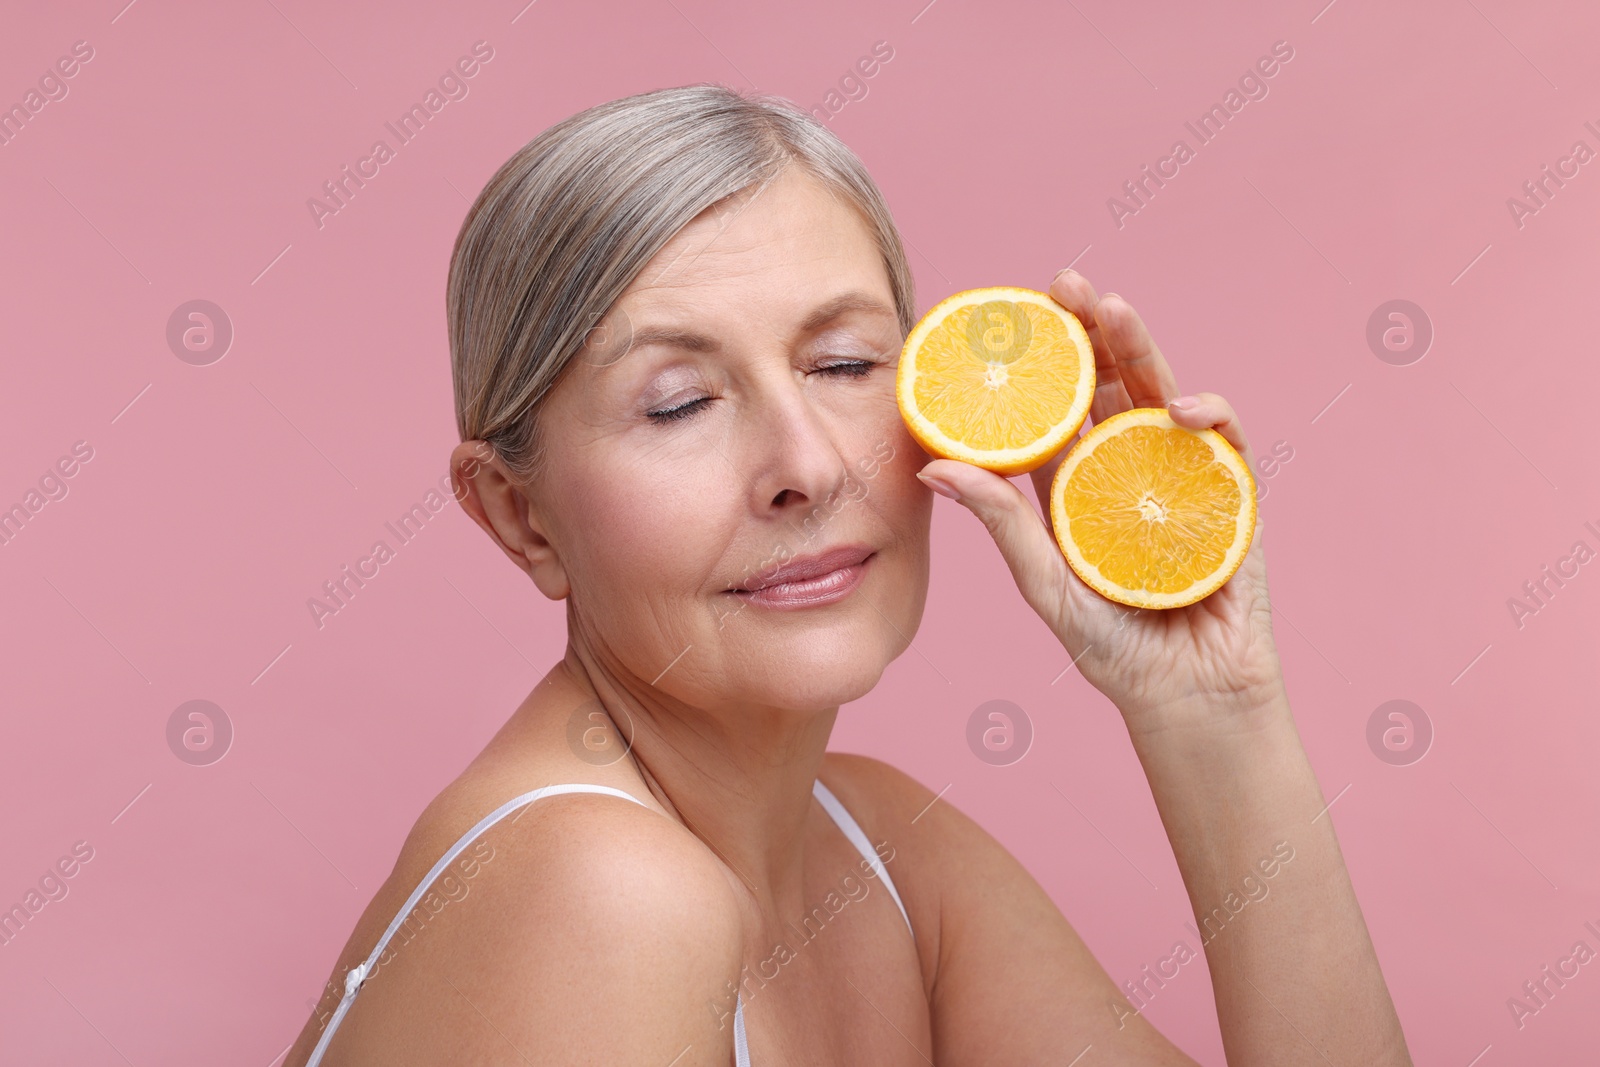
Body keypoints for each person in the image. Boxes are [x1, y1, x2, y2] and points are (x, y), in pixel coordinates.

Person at [283, 83, 1412, 1066]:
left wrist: (1215, 715)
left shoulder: (887, 860)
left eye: (844, 363)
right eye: (678, 402)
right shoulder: (598, 890)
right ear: (519, 515)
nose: (806, 465)